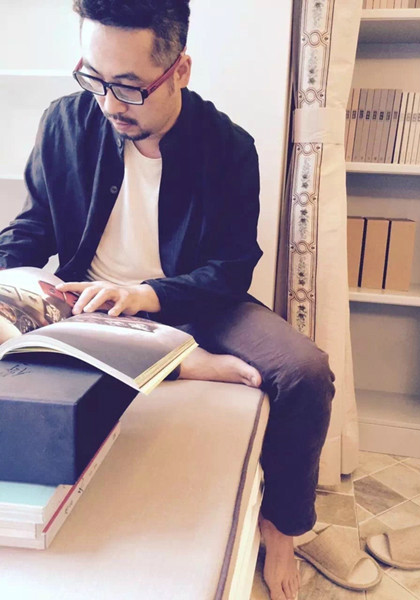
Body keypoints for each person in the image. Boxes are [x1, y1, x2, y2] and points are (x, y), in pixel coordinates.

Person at [0, 2, 335, 598]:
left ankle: (280, 529)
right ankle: (177, 361)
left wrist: (148, 295)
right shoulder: (64, 123)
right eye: (94, 79)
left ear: (179, 70)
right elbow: (33, 230)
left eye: (129, 87)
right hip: (91, 302)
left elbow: (231, 268)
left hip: (200, 303)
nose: (109, 104)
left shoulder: (228, 146)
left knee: (305, 373)